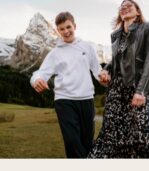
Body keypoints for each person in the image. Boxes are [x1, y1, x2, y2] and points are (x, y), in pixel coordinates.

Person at [88, 0, 149, 158]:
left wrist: (140, 91)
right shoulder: (116, 35)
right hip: (116, 90)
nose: (124, 7)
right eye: (121, 7)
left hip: (137, 88)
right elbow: (116, 60)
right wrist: (105, 70)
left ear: (138, 11)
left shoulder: (148, 27)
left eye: (129, 5)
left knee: (143, 135)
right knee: (111, 135)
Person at [30, 12, 106, 158]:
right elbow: (39, 74)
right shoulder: (55, 53)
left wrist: (103, 76)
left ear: (75, 26)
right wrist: (36, 81)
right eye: (62, 29)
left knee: (87, 143)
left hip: (86, 100)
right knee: (72, 142)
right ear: (57, 31)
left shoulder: (87, 47)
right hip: (64, 101)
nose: (66, 31)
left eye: (68, 27)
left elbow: (97, 71)